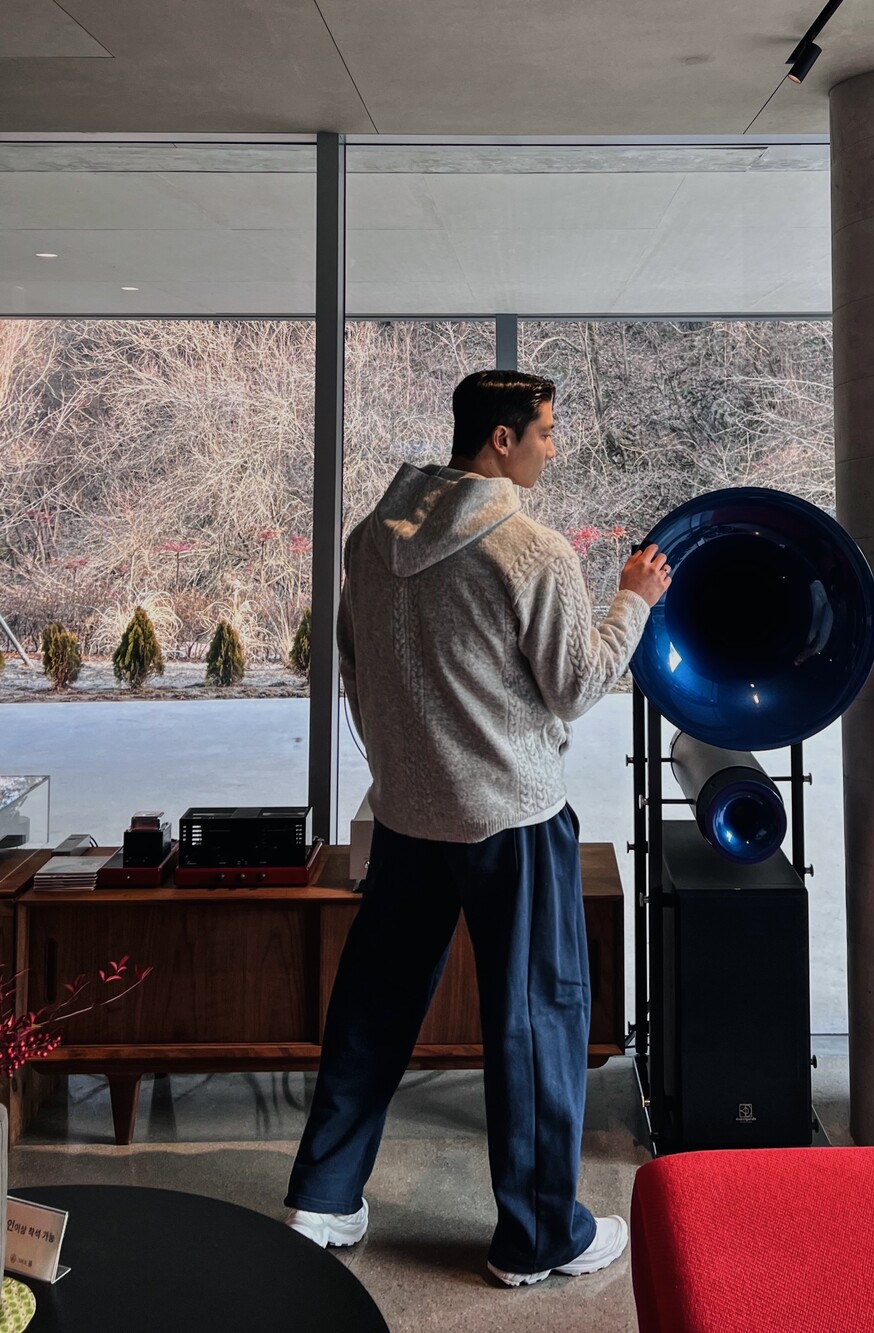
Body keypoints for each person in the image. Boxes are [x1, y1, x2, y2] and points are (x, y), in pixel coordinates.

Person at [284, 369, 671, 1286]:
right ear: (502, 438)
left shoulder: (368, 540)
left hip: (408, 814)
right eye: (545, 431)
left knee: (374, 1006)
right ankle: (537, 1238)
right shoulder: (531, 550)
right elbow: (575, 685)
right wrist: (634, 599)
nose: (551, 448)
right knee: (536, 1019)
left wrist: (406, 762)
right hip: (510, 817)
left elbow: (353, 667)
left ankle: (323, 1197)